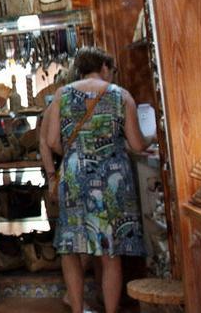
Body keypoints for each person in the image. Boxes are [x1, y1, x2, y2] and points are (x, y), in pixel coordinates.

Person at [44, 47, 151, 313]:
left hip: (75, 174)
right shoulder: (121, 95)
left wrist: (77, 153)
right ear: (104, 67)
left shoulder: (62, 94)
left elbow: (53, 141)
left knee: (71, 246)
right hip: (112, 176)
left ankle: (77, 308)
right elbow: (137, 144)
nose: (112, 75)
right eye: (112, 70)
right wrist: (153, 137)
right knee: (110, 250)